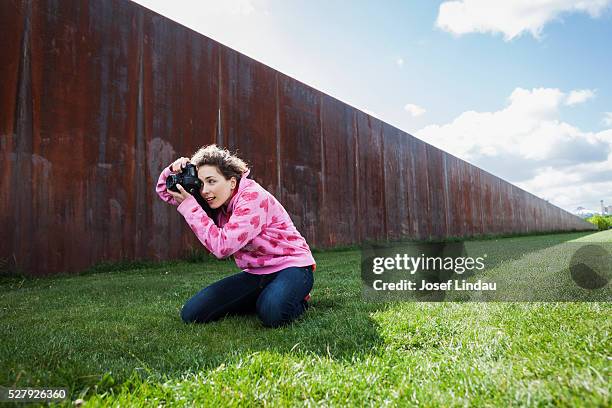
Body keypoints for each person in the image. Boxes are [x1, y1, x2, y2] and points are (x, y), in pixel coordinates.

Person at [155, 144, 316, 328]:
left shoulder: (252, 197)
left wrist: (191, 208)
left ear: (232, 182)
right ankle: (266, 297)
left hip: (293, 267)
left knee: (273, 313)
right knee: (192, 313)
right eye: (200, 183)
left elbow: (222, 247)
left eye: (211, 181)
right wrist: (174, 169)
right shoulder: (217, 201)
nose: (205, 190)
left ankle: (296, 299)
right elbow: (164, 191)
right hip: (256, 273)